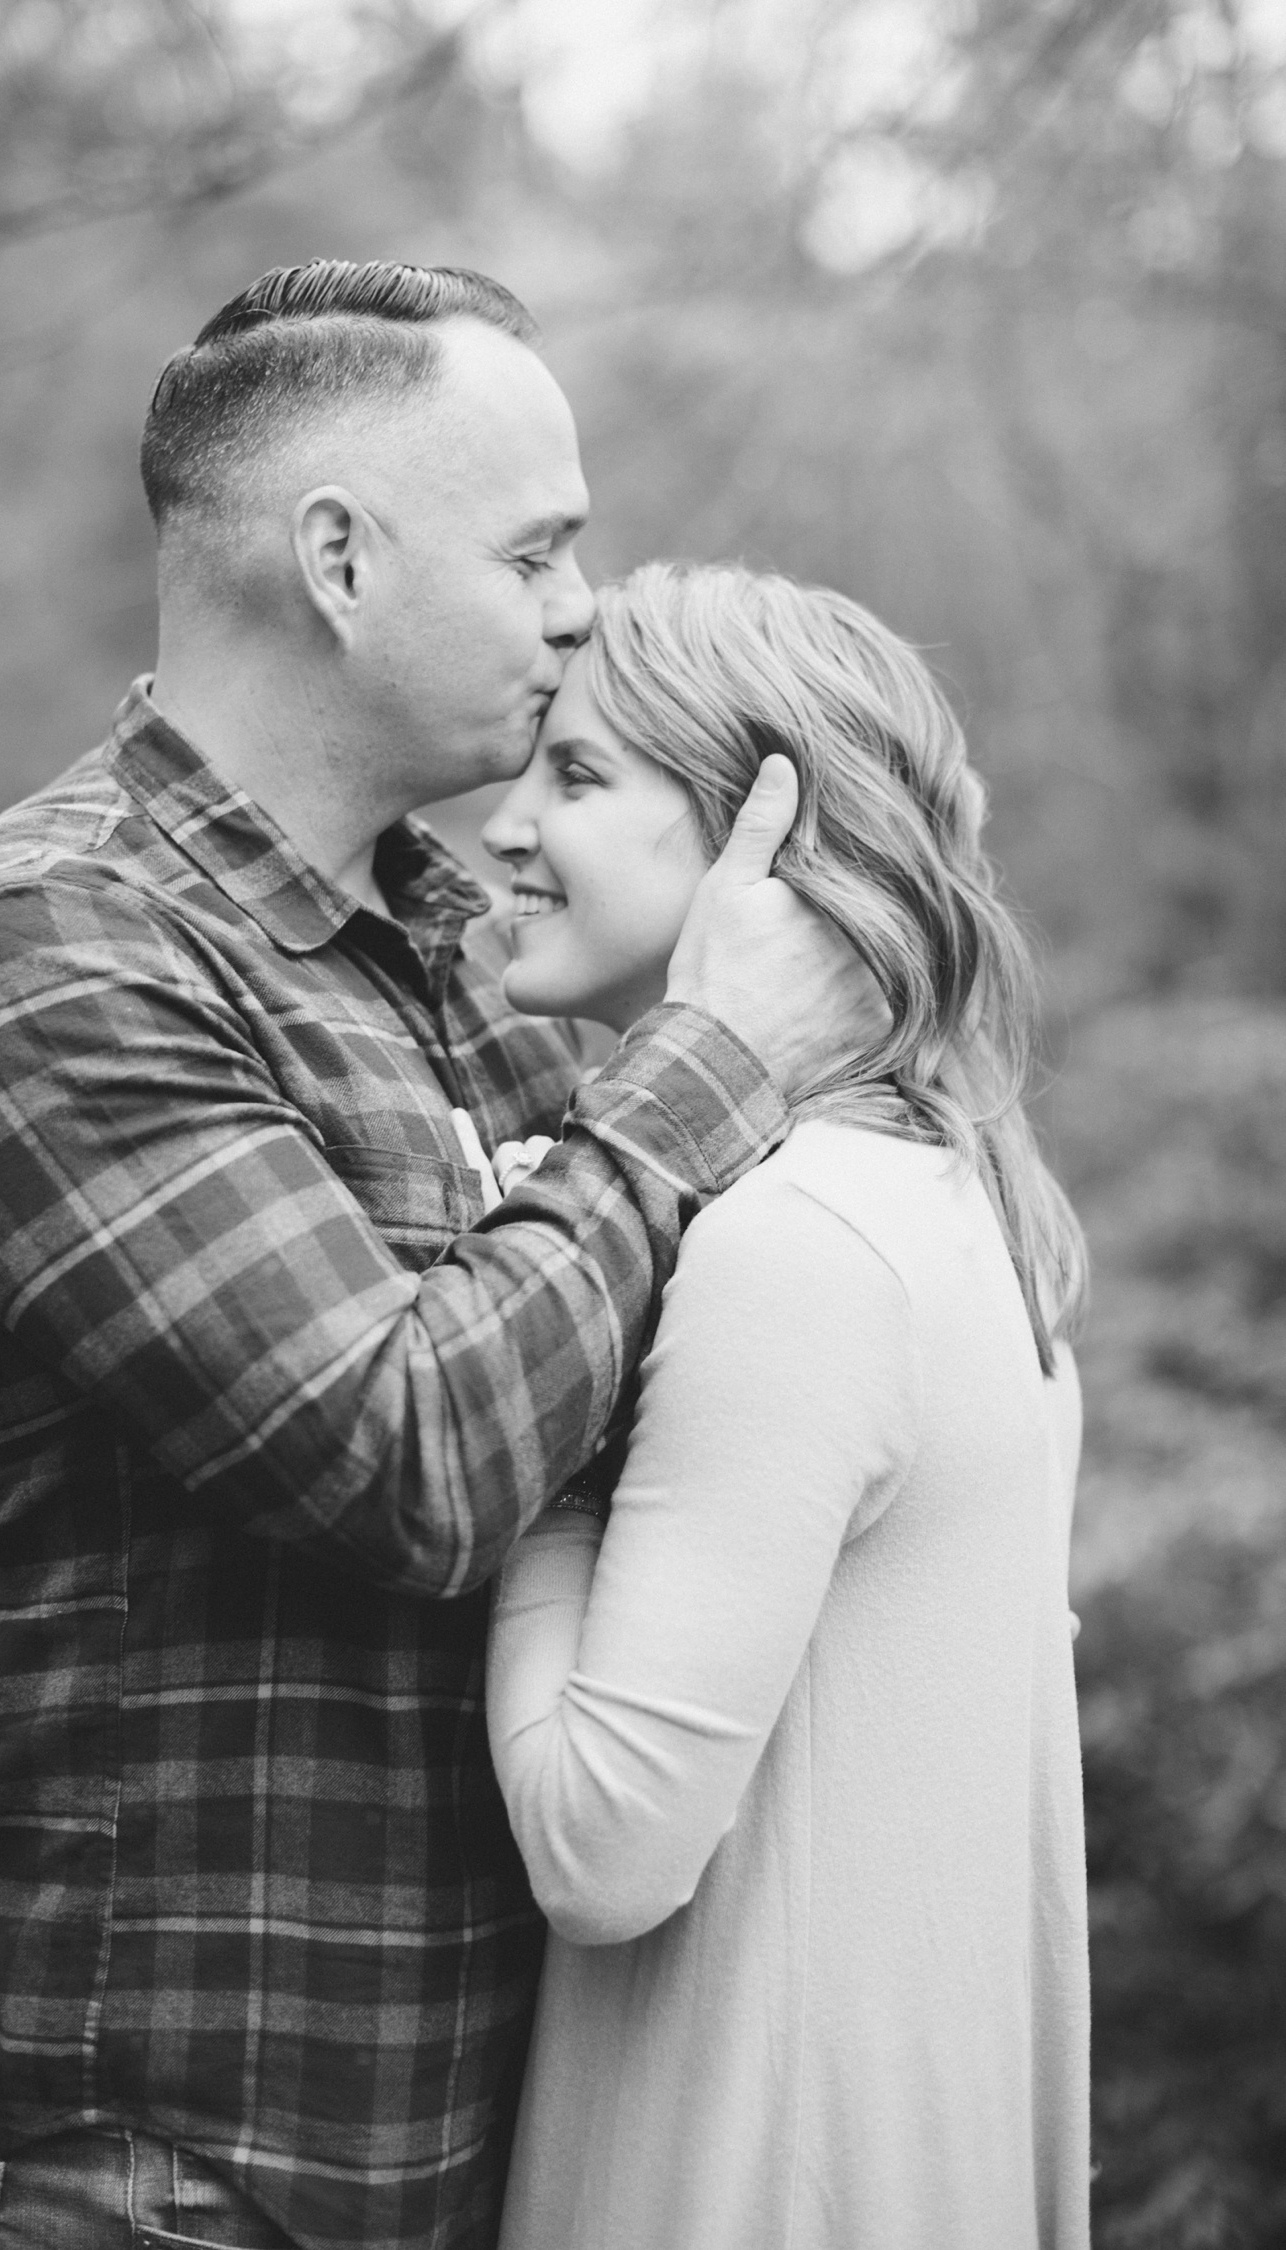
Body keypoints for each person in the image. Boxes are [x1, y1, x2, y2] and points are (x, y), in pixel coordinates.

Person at [0, 262, 871, 2250]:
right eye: (538, 551)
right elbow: (419, 1462)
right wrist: (707, 1062)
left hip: (504, 2159)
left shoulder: (470, 962)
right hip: (167, 2187)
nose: (583, 610)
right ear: (337, 560)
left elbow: (624, 1392)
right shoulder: (41, 953)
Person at [483, 562, 1091, 2250]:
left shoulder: (799, 1245)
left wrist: (547, 1435)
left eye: (581, 775)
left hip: (747, 2176)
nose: (503, 825)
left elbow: (603, 1848)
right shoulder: (962, 1202)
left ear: (766, 839)